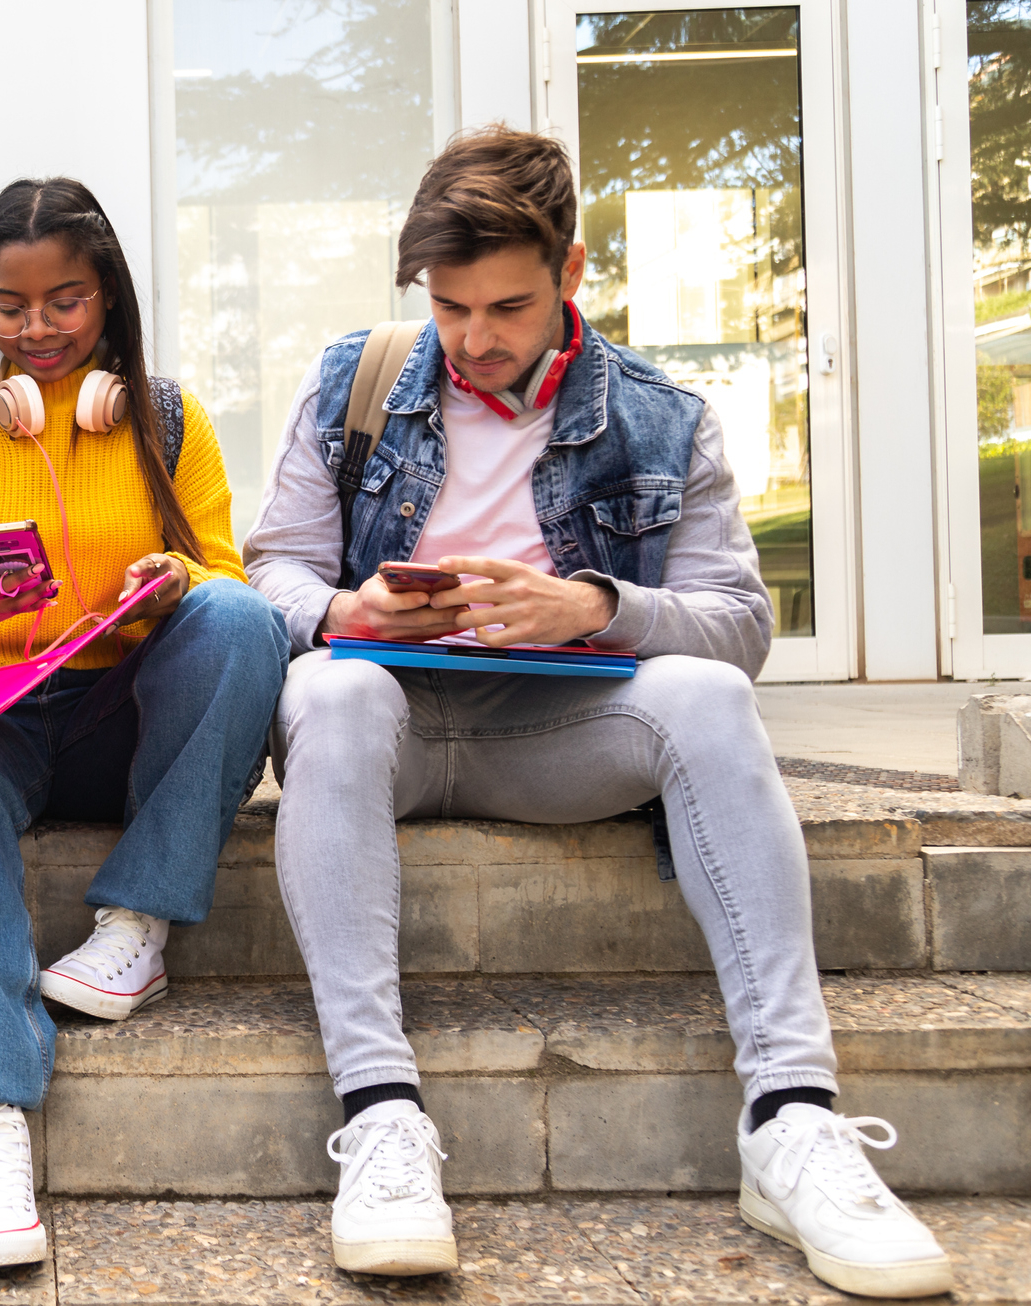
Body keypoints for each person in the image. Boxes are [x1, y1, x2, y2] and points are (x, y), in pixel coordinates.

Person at [246, 125, 951, 1296]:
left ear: (571, 275)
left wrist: (591, 606)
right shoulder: (351, 382)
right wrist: (346, 612)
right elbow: (270, 574)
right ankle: (379, 1117)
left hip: (557, 742)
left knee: (708, 694)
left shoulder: (660, 417)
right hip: (384, 731)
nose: (472, 338)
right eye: (449, 305)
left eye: (506, 308)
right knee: (327, 680)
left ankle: (792, 1118)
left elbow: (737, 622)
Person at [0, 178, 289, 1272]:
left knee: (241, 618)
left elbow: (226, 586)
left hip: (123, 710)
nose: (38, 327)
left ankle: (138, 926)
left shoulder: (163, 418)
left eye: (63, 299)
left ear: (105, 293)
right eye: (8, 306)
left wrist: (172, 579)